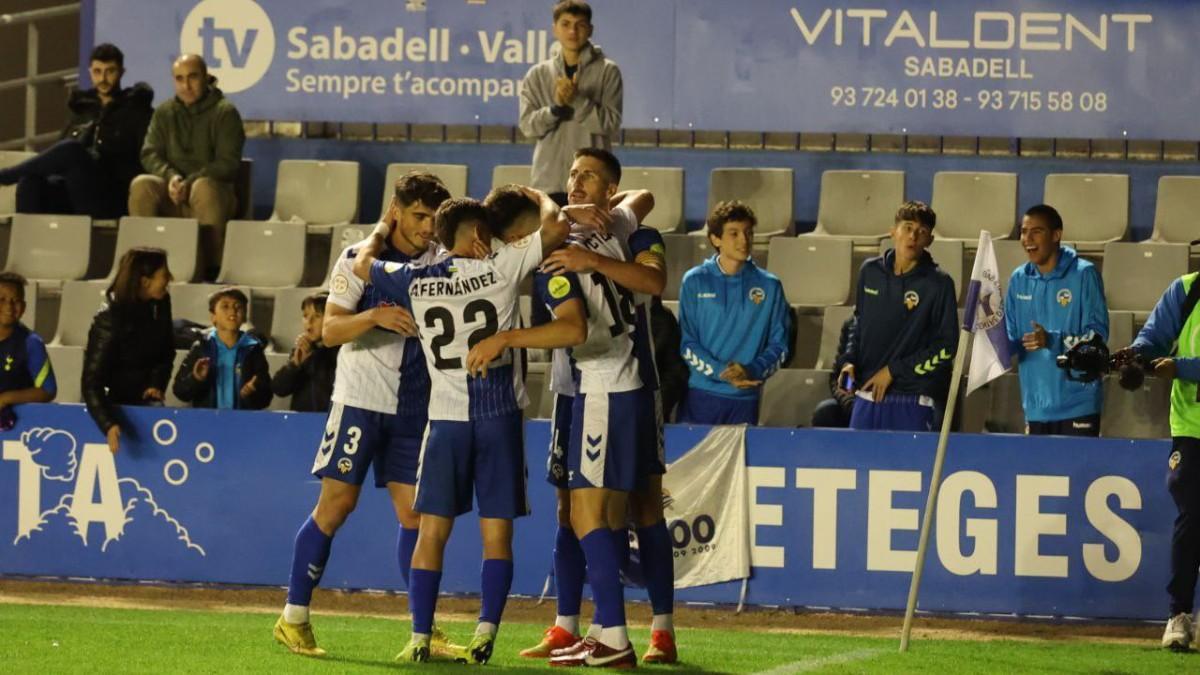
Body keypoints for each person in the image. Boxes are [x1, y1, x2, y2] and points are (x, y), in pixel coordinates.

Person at [354, 188, 575, 664]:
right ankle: (485, 630)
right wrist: (536, 194)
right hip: (498, 419)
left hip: (445, 422)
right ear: (478, 234)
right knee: (496, 536)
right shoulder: (500, 266)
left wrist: (379, 228)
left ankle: (418, 637)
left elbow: (361, 265)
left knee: (430, 532)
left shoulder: (415, 278)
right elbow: (556, 226)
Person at [273, 173, 450, 658]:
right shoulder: (355, 258)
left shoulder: (440, 259)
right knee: (335, 507)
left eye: (434, 219)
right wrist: (373, 316)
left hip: (415, 407)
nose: (427, 228)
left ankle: (424, 631)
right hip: (359, 402)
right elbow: (329, 330)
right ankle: (294, 617)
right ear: (395, 210)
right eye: (419, 216)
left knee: (414, 515)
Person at [520, 148, 675, 665]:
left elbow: (646, 219)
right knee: (574, 507)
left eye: (589, 176)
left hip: (626, 381)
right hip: (574, 387)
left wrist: (589, 246)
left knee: (636, 506)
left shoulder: (626, 231)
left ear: (611, 191)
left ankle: (650, 629)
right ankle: (574, 626)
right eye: (572, 175)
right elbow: (536, 202)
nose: (577, 182)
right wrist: (565, 211)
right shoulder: (563, 228)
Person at [1116, 271, 1200, 650]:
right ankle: (1178, 615)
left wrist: (1180, 367)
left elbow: (1180, 364)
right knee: (1191, 515)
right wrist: (1136, 357)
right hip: (1191, 426)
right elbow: (1153, 336)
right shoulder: (1186, 289)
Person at [842, 201, 957, 432]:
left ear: (929, 240)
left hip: (912, 400)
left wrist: (893, 371)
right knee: (859, 465)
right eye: (907, 227)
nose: (913, 236)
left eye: (922, 231)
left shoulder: (939, 284)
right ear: (893, 231)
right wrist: (850, 360)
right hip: (866, 394)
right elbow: (859, 321)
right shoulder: (869, 272)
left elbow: (946, 348)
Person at [0, 43, 152, 218]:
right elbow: (59, 154)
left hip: (111, 194)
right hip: (75, 191)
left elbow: (144, 159)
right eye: (97, 71)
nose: (103, 78)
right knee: (31, 181)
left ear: (122, 72)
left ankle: (5, 176)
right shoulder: (82, 109)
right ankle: (26, 244)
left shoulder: (136, 110)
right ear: (90, 72)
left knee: (72, 150)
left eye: (110, 71)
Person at [676, 201, 791, 425]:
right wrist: (723, 372)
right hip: (701, 396)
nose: (744, 240)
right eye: (734, 233)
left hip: (745, 400)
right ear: (715, 239)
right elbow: (686, 343)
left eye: (748, 232)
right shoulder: (695, 281)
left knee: (741, 462)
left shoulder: (770, 285)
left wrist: (750, 370)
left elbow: (780, 346)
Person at [128, 54, 245, 272]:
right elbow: (149, 153)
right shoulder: (164, 112)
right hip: (173, 191)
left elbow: (228, 163)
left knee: (204, 188)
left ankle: (209, 269)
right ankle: (145, 266)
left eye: (192, 77)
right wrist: (171, 177)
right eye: (179, 79)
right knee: (142, 184)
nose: (186, 85)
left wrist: (189, 182)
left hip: (214, 194)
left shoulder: (225, 112)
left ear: (205, 78)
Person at [1004, 205, 1108, 436]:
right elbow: (1011, 336)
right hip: (1034, 407)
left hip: (1077, 404)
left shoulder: (1084, 274)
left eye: (1036, 231)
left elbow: (1097, 339)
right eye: (1023, 231)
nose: (1027, 239)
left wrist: (1052, 339)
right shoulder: (1018, 279)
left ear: (1056, 235)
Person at [519, 0, 622, 204]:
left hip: (591, 186)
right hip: (548, 182)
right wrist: (555, 110)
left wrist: (577, 101)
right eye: (565, 24)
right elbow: (528, 127)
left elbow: (610, 124)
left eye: (580, 25)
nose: (572, 31)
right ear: (554, 29)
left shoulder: (608, 71)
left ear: (590, 29)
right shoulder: (537, 74)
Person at [82, 247, 175, 453]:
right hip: (113, 402)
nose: (171, 278)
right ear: (144, 281)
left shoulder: (160, 303)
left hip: (146, 399)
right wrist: (108, 424)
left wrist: (156, 383)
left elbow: (166, 351)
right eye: (164, 274)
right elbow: (91, 383)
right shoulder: (109, 319)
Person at [172, 288, 271, 410]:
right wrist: (195, 378)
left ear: (245, 316)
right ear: (213, 316)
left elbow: (266, 398)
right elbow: (180, 392)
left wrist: (251, 393)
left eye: (238, 307)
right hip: (208, 421)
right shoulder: (201, 347)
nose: (233, 311)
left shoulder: (253, 349)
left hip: (242, 423)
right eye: (225, 306)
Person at [0, 272, 56, 425]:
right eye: (2, 299)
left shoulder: (31, 343)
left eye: (15, 301)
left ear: (23, 307)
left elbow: (48, 391)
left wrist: (5, 399)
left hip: (18, 428)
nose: (9, 306)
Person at [271, 291, 338, 413]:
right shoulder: (302, 350)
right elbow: (279, 389)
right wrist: (294, 365)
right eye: (305, 315)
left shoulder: (342, 352)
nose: (309, 321)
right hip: (302, 424)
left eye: (317, 316)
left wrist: (317, 354)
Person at [812, 314, 857, 428]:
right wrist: (849, 402)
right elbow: (839, 375)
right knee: (825, 413)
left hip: (884, 400)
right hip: (854, 402)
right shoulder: (853, 324)